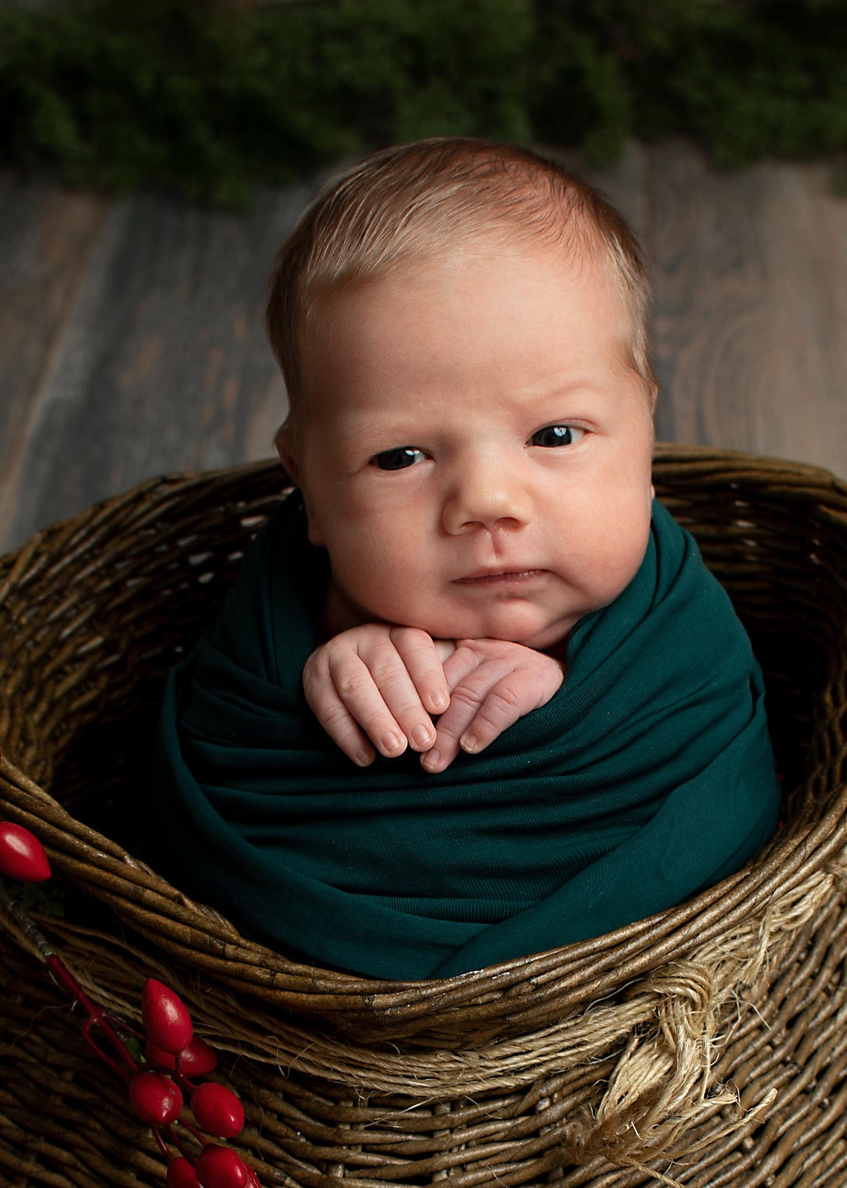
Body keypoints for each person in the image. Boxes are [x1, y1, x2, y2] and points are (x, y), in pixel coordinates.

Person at [149, 137, 778, 981]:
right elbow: (232, 741)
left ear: (645, 433)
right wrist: (332, 670)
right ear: (306, 486)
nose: (487, 501)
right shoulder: (289, 610)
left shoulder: (672, 620)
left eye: (555, 435)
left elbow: (711, 761)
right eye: (400, 457)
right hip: (332, 997)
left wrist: (561, 694)